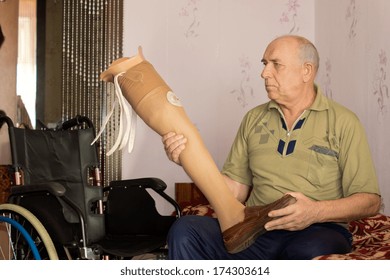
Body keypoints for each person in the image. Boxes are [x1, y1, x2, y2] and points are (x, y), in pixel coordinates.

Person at [162, 35, 381, 260]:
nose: (264, 73)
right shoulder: (253, 119)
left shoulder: (344, 122)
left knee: (305, 251)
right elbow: (234, 192)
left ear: (306, 71)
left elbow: (370, 201)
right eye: (265, 64)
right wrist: (187, 157)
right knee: (184, 229)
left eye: (276, 64)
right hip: (255, 230)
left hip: (318, 230)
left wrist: (315, 212)